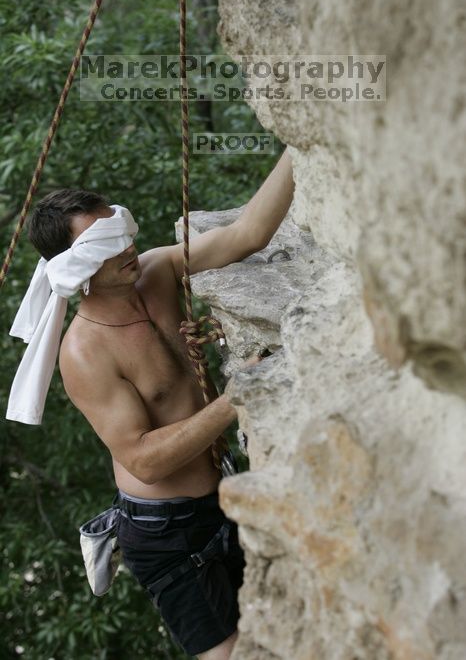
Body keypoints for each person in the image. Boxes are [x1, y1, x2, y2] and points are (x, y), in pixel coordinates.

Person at [13, 148, 294, 659]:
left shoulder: (157, 270)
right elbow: (143, 457)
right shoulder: (84, 352)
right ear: (75, 268)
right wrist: (234, 400)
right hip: (167, 534)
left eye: (122, 230)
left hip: (221, 494)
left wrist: (302, 147)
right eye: (106, 243)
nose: (128, 246)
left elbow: (247, 234)